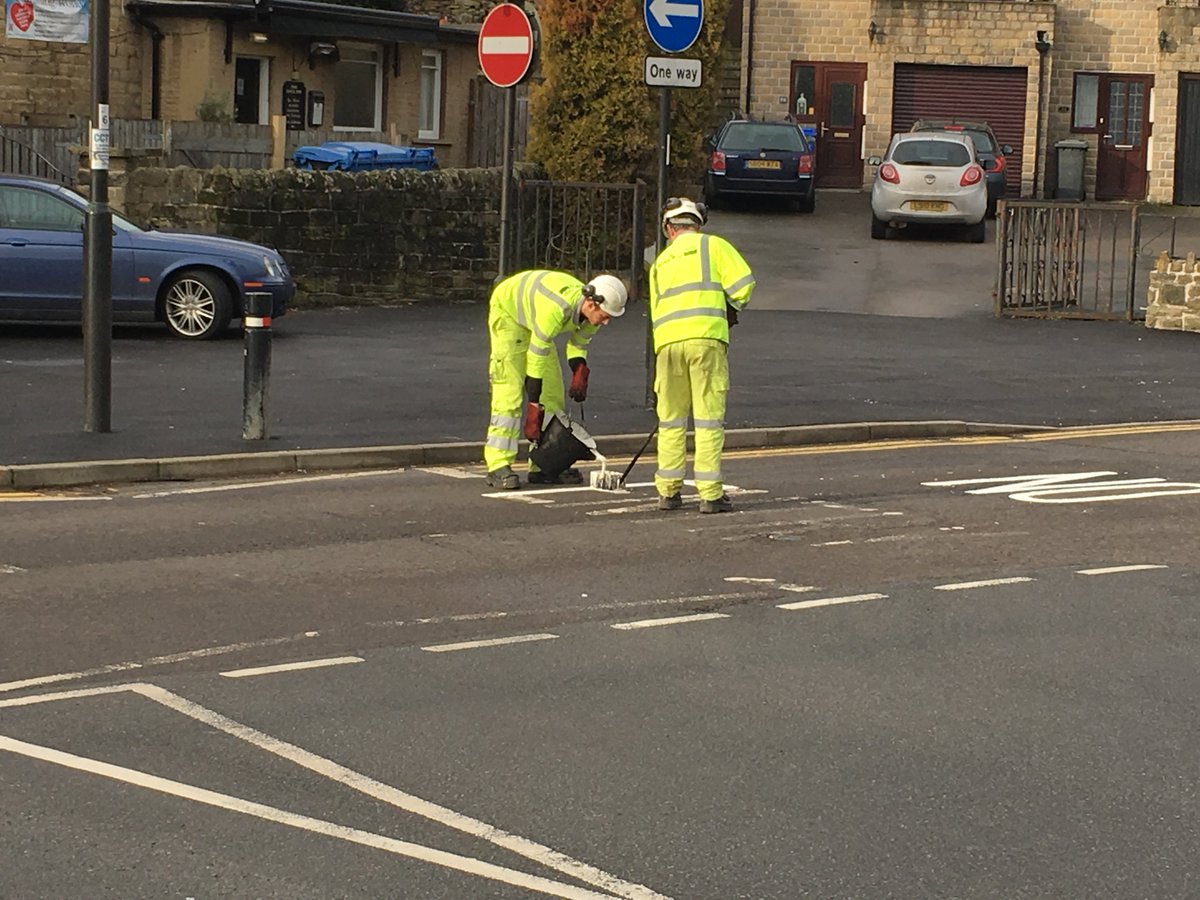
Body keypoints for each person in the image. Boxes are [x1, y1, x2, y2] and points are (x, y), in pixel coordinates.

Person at [648, 197, 755, 513]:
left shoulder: (659, 265)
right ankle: (710, 494)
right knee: (708, 421)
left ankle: (668, 491)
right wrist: (728, 307)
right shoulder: (714, 247)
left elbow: (656, 311)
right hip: (706, 340)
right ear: (697, 224)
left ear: (669, 228)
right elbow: (744, 286)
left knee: (670, 420)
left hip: (667, 346)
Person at [484, 270, 628, 490]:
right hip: (508, 315)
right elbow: (535, 359)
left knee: (552, 393)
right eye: (606, 316)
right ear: (591, 305)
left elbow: (578, 345)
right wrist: (533, 405)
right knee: (509, 394)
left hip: (536, 320)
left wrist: (579, 369)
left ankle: (543, 464)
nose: (606, 322)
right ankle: (498, 464)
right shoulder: (555, 309)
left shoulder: (592, 312)